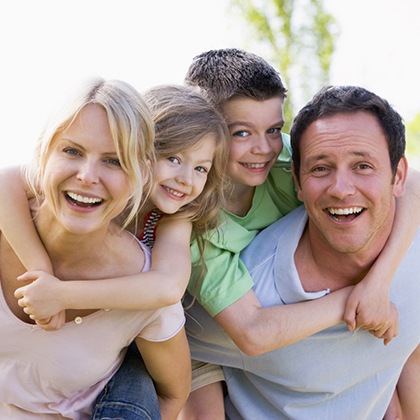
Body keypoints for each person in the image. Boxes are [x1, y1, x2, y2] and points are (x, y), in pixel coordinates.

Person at [179, 48, 420, 418]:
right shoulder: (194, 226)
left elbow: (411, 182)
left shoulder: (285, 162)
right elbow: (250, 333)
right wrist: (352, 301)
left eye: (274, 129)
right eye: (241, 132)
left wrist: (379, 281)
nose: (263, 148)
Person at [0, 78, 191, 419]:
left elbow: (172, 397)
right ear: (43, 155)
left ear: (141, 174)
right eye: (72, 151)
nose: (88, 176)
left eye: (114, 161)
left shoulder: (144, 291)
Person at [0, 84, 228, 332]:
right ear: (136, 151)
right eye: (173, 159)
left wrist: (62, 295)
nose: (186, 179)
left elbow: (168, 287)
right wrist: (40, 269)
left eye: (201, 168)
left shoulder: (173, 219)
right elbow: (5, 182)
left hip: (125, 327)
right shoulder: (87, 184)